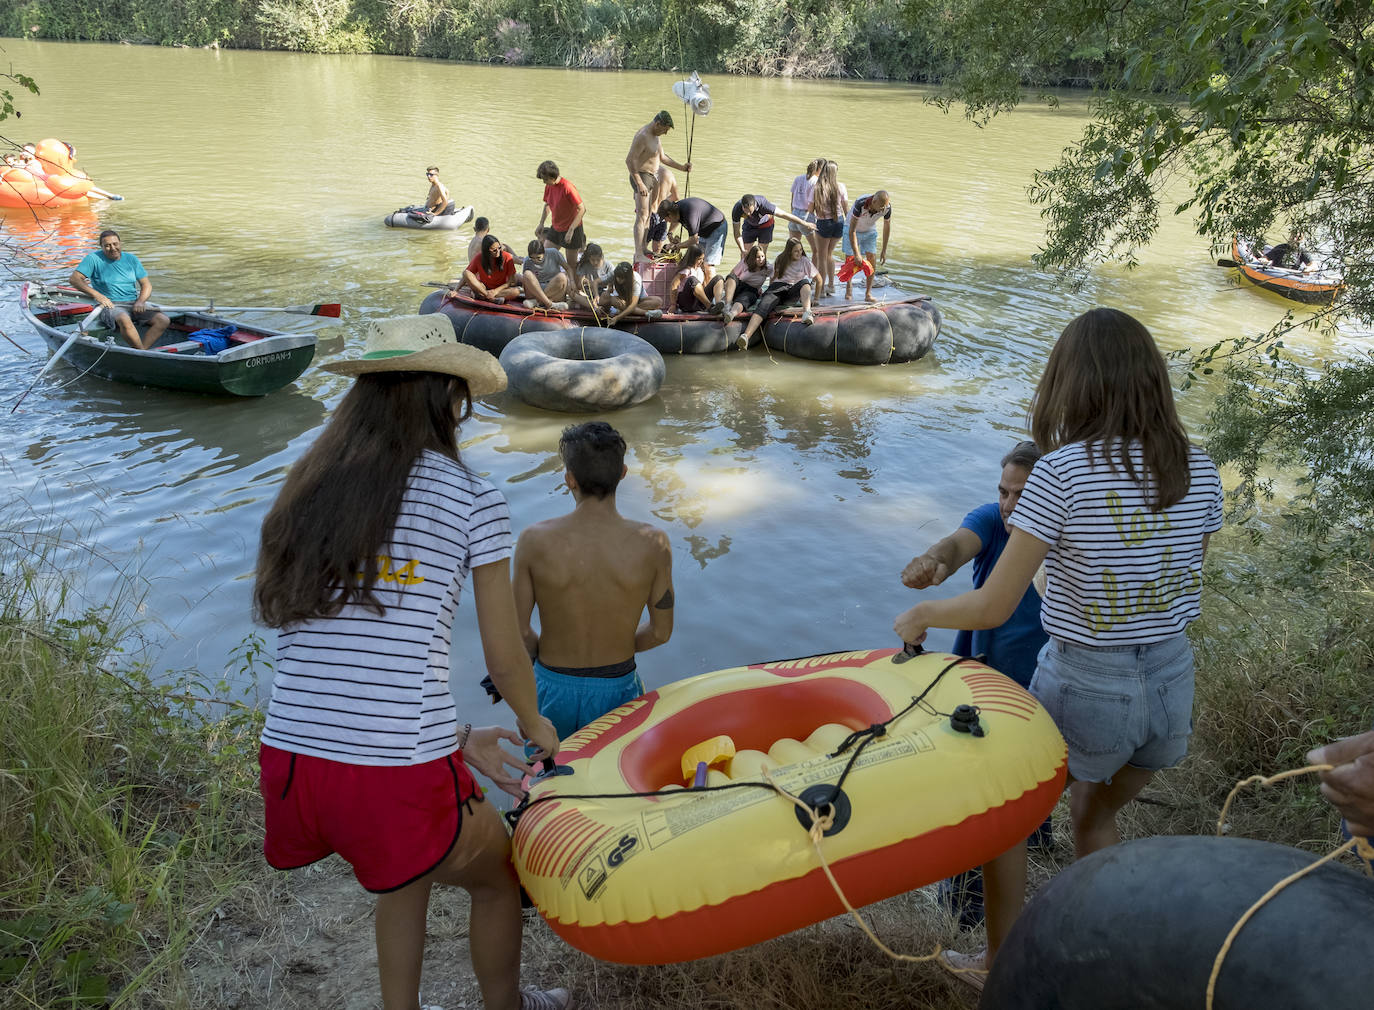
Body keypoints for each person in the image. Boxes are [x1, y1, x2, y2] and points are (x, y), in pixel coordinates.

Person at [893, 307, 1224, 992]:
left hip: (1087, 683)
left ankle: (999, 970)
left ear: (1069, 384)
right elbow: (1177, 573)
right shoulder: (1199, 465)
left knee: (1002, 819)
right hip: (1170, 688)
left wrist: (924, 611)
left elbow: (995, 605)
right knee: (1092, 816)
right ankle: (1097, 959)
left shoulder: (1064, 471)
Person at [253, 314, 568, 1010]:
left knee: (407, 872)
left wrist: (454, 744)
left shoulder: (311, 484)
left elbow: (349, 663)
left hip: (292, 767)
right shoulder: (471, 496)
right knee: (497, 877)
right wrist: (534, 721)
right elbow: (503, 650)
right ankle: (509, 1005)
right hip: (390, 776)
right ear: (449, 400)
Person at [900, 440, 1052, 930]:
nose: (1009, 506)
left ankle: (1039, 839)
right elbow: (957, 546)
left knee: (1029, 787)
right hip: (982, 675)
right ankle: (962, 908)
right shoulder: (991, 519)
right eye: (1004, 491)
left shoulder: (1064, 533)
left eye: (1021, 496)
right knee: (977, 790)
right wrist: (932, 561)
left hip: (1041, 683)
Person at [513, 421, 674, 740]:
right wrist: (618, 647)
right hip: (618, 686)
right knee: (613, 776)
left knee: (547, 777)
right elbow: (661, 632)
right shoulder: (653, 543)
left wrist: (545, 656)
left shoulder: (533, 541)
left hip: (552, 683)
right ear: (624, 473)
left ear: (569, 479)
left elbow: (518, 630)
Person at [68, 230, 170, 351]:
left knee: (163, 320)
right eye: (107, 245)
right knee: (124, 319)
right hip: (109, 305)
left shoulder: (131, 259)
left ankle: (142, 351)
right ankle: (141, 352)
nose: (112, 248)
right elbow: (75, 279)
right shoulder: (93, 259)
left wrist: (141, 301)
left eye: (115, 244)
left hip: (133, 303)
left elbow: (146, 285)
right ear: (101, 247)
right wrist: (98, 296)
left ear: (120, 243)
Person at [626, 111, 691, 261]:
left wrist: (682, 167)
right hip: (642, 176)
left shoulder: (656, 137)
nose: (666, 133)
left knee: (648, 215)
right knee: (642, 216)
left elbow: (662, 157)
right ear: (657, 124)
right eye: (665, 129)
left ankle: (643, 247)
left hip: (651, 178)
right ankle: (638, 253)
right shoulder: (642, 136)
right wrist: (639, 183)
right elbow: (630, 160)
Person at [734, 236, 818, 350]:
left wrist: (816, 298)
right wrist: (767, 294)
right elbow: (773, 279)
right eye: (796, 251)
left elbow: (819, 279)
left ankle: (807, 312)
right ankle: (746, 336)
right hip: (777, 288)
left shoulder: (805, 261)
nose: (799, 253)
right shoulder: (780, 259)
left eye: (800, 250)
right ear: (789, 252)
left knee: (805, 282)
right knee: (763, 307)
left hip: (792, 291)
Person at [533, 161, 587, 277]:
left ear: (552, 176)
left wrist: (571, 230)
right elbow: (548, 204)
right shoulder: (549, 186)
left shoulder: (567, 187)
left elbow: (582, 209)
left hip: (573, 229)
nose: (544, 182)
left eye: (545, 179)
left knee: (572, 264)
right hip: (556, 228)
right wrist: (541, 223)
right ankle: (549, 280)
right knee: (545, 256)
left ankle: (575, 289)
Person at [657, 197, 728, 284]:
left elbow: (693, 240)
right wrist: (670, 233)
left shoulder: (690, 214)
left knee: (708, 265)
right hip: (703, 230)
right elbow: (676, 220)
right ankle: (703, 290)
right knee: (699, 263)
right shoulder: (675, 208)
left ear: (669, 214)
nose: (666, 221)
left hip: (717, 227)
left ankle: (711, 295)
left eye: (665, 219)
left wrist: (675, 246)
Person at [808, 160, 849, 299]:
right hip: (839, 222)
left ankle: (820, 291)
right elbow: (845, 209)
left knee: (821, 257)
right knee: (829, 254)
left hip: (823, 223)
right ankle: (831, 286)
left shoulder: (817, 188)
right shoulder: (841, 186)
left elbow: (810, 209)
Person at [730, 193, 815, 259]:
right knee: (745, 253)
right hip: (750, 225)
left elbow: (784, 215)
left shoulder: (764, 204)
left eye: (750, 211)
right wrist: (742, 249)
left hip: (765, 225)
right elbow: (736, 233)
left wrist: (805, 223)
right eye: (745, 211)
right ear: (742, 206)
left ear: (754, 205)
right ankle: (742, 277)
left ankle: (760, 276)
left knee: (761, 254)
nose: (748, 214)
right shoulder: (737, 209)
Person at [843, 191, 892, 302]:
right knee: (850, 259)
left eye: (884, 207)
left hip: (869, 230)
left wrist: (884, 250)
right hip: (851, 228)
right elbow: (852, 231)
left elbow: (887, 227)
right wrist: (857, 253)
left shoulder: (887, 208)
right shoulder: (860, 203)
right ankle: (849, 287)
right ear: (874, 201)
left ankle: (868, 294)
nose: (882, 210)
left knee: (872, 260)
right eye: (880, 207)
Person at [716, 244, 771, 321]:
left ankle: (731, 314)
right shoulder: (745, 263)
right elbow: (732, 274)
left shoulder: (768, 267)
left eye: (763, 256)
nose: (761, 259)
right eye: (758, 257)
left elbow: (775, 277)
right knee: (732, 277)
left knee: (743, 300)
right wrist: (727, 285)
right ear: (752, 258)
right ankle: (727, 305)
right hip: (740, 286)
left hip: (752, 290)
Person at [463, 235, 523, 303]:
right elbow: (467, 274)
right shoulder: (479, 257)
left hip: (500, 289)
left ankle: (484, 296)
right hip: (483, 288)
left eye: (499, 248)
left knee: (515, 292)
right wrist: (455, 290)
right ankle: (489, 297)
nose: (498, 251)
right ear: (487, 251)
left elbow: (511, 281)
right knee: (466, 273)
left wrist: (496, 291)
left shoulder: (507, 257)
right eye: (494, 250)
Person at [667, 246, 723, 315]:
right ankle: (710, 307)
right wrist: (673, 305)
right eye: (699, 259)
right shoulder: (686, 270)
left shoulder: (700, 270)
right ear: (692, 258)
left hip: (698, 303)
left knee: (718, 278)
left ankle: (718, 305)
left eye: (702, 259)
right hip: (686, 302)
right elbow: (674, 285)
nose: (701, 261)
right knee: (692, 280)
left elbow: (703, 287)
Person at [520, 239, 571, 310]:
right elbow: (526, 282)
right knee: (527, 274)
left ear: (544, 252)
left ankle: (538, 302)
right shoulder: (527, 260)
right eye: (532, 258)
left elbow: (568, 268)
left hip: (554, 288)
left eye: (538, 258)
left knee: (562, 277)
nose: (535, 261)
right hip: (536, 290)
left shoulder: (553, 253)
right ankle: (549, 303)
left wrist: (573, 282)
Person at [790, 159, 824, 259]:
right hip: (806, 215)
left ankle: (791, 271)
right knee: (816, 250)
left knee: (792, 248)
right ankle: (814, 273)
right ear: (819, 170)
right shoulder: (816, 181)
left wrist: (792, 213)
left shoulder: (798, 178)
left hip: (794, 214)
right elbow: (815, 203)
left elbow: (792, 198)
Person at [569, 243, 614, 312]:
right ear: (588, 258)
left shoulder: (609, 266)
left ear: (602, 257)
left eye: (598, 260)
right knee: (571, 292)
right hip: (588, 292)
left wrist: (606, 291)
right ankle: (594, 307)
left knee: (607, 296)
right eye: (593, 260)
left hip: (602, 293)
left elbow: (611, 287)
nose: (595, 262)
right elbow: (579, 285)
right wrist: (587, 282)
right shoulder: (584, 265)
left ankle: (589, 305)